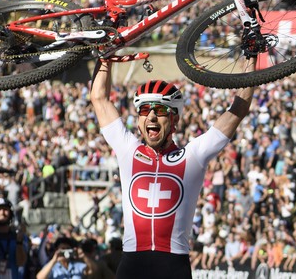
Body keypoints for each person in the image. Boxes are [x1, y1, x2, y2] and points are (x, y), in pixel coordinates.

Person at [90, 58, 256, 279]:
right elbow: (99, 98)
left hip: (172, 265)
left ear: (174, 119)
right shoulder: (128, 149)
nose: (151, 116)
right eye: (144, 110)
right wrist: (105, 56)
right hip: (132, 263)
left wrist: (250, 58)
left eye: (159, 110)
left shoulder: (192, 156)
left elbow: (239, 108)